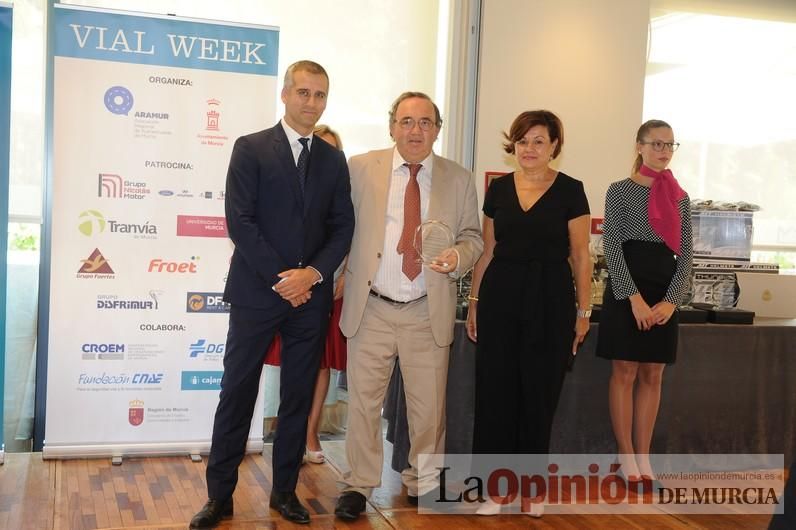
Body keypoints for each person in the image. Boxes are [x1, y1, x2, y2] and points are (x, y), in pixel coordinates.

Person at [190, 61, 354, 529]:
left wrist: (314, 275)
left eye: (320, 95)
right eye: (303, 92)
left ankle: (284, 493)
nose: (311, 102)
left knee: (297, 398)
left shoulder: (332, 159)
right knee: (237, 393)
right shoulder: (251, 148)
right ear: (285, 95)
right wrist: (287, 279)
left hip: (310, 301)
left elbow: (343, 227)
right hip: (257, 293)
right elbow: (239, 221)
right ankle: (219, 497)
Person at [334, 91, 483, 520]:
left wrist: (458, 257)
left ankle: (423, 483)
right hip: (372, 306)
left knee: (428, 408)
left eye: (424, 122)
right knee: (363, 404)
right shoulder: (361, 168)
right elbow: (341, 226)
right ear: (391, 126)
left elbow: (473, 237)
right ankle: (358, 485)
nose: (414, 130)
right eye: (406, 121)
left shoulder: (458, 178)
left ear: (437, 129)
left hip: (425, 307)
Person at [465, 110, 592, 516]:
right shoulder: (498, 190)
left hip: (550, 300)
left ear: (555, 144)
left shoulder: (572, 190)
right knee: (495, 395)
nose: (530, 148)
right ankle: (493, 490)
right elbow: (487, 253)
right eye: (523, 141)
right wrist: (474, 303)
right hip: (500, 297)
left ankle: (532, 491)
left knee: (538, 395)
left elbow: (581, 256)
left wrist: (583, 311)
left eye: (539, 140)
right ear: (513, 146)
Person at [595, 119, 692, 484]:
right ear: (639, 146)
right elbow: (612, 246)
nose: (664, 151)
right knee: (625, 371)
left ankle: (644, 455)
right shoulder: (619, 191)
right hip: (627, 289)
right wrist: (632, 297)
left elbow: (686, 256)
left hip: (664, 290)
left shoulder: (679, 196)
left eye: (670, 145)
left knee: (653, 373)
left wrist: (671, 302)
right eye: (656, 144)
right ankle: (625, 454)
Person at [262, 124, 348, 465]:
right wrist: (291, 282)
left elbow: (349, 231)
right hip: (289, 286)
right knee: (294, 366)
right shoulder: (284, 173)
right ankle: (289, 435)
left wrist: (341, 278)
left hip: (332, 286)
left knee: (322, 365)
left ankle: (310, 432)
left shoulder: (341, 177)